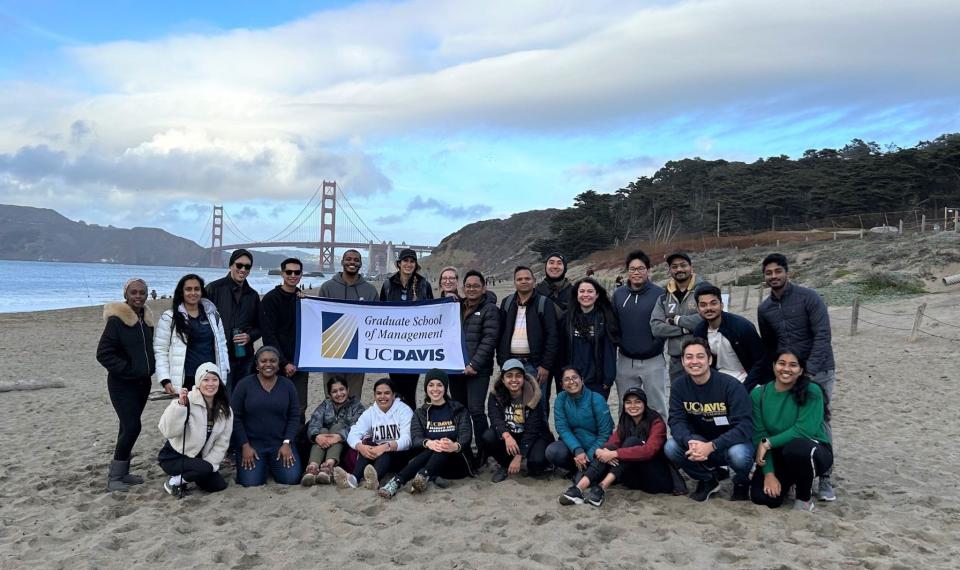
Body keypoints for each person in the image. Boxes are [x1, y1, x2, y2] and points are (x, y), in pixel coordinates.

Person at [757, 252, 838, 502]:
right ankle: (791, 473)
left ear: (787, 272)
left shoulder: (809, 298)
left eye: (778, 271)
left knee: (819, 420)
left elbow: (823, 335)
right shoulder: (765, 308)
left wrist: (808, 372)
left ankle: (825, 477)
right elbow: (770, 344)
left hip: (818, 370)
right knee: (787, 419)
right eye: (769, 273)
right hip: (784, 371)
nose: (774, 276)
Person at [664, 338, 753, 502]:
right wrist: (689, 440)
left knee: (740, 455)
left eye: (700, 356)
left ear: (710, 359)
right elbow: (676, 421)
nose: (694, 361)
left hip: (729, 444)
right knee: (671, 447)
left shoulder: (731, 386)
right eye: (689, 357)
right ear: (683, 361)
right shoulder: (679, 386)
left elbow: (745, 426)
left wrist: (712, 446)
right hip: (698, 443)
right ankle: (707, 479)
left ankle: (741, 481)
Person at [559, 387, 680, 507]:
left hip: (657, 479)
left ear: (645, 404)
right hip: (633, 479)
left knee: (630, 443)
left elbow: (648, 451)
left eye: (637, 402)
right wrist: (600, 451)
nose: (633, 406)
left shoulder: (656, 422)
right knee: (610, 449)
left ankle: (601, 488)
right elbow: (612, 442)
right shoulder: (625, 420)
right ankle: (578, 489)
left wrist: (615, 454)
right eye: (628, 402)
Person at [751, 350, 833, 512]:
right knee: (763, 498)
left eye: (793, 365)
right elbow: (760, 435)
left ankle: (804, 499)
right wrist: (769, 474)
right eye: (781, 363)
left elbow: (804, 430)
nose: (786, 369)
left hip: (813, 450)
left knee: (796, 448)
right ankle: (789, 482)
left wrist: (768, 443)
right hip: (779, 453)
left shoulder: (812, 391)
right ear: (774, 366)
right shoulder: (758, 394)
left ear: (801, 370)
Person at [96, 278, 156, 492]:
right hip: (122, 384)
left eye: (142, 292)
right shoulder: (117, 321)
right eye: (134, 293)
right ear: (126, 295)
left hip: (143, 384)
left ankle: (124, 473)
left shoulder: (146, 321)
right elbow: (103, 354)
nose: (138, 296)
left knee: (126, 426)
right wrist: (129, 370)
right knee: (133, 426)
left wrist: (151, 368)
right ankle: (115, 477)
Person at [377, 370, 474, 498]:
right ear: (426, 388)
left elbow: (466, 435)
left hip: (457, 463)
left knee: (443, 444)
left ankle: (400, 480)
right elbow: (415, 438)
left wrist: (454, 446)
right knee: (435, 446)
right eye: (431, 385)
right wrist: (428, 443)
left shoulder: (458, 409)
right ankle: (422, 476)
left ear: (445, 387)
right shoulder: (420, 412)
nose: (435, 389)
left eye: (439, 385)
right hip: (430, 461)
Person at [157, 363, 233, 495]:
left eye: (215, 380)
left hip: (201, 459)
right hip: (174, 457)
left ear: (220, 382)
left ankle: (192, 475)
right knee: (203, 468)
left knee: (218, 485)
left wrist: (208, 465)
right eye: (205, 379)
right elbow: (168, 431)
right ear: (198, 382)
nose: (210, 384)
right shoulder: (187, 400)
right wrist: (180, 406)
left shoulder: (225, 409)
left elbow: (222, 443)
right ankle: (173, 481)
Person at [231, 346, 301, 486]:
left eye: (273, 361)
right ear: (257, 365)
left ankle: (270, 465)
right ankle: (264, 465)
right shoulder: (244, 385)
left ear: (278, 364)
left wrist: (287, 443)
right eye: (263, 361)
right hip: (252, 445)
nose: (268, 364)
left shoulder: (288, 386)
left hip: (280, 444)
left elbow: (294, 416)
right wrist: (245, 446)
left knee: (291, 479)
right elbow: (235, 417)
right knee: (251, 482)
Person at [612, 250, 670, 419]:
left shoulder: (660, 294)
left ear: (648, 270)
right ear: (627, 271)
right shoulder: (618, 295)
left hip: (653, 360)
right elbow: (613, 324)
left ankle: (660, 443)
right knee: (626, 406)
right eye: (632, 269)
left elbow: (665, 324)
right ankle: (627, 441)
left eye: (640, 268)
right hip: (625, 361)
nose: (636, 272)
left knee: (656, 405)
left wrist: (655, 345)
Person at [451, 270, 499, 465]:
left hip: (477, 370)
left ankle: (483, 450)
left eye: (476, 286)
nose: (471, 289)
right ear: (463, 288)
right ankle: (464, 447)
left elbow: (489, 340)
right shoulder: (457, 307)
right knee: (459, 410)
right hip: (455, 369)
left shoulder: (490, 309)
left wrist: (474, 364)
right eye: (468, 286)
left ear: (483, 288)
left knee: (476, 410)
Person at [497, 266, 560, 416]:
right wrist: (502, 361)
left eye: (527, 278)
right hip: (511, 362)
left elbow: (552, 336)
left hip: (535, 365)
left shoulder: (544, 303)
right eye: (519, 279)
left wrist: (545, 365)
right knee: (512, 404)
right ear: (514, 282)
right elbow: (500, 335)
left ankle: (541, 437)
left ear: (534, 281)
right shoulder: (507, 303)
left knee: (538, 404)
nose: (523, 281)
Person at [154, 274, 230, 394]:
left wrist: (223, 373)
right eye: (188, 289)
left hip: (210, 377)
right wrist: (165, 379)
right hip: (185, 379)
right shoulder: (170, 317)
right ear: (181, 292)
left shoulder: (213, 315)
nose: (193, 293)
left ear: (201, 291)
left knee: (210, 412)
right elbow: (160, 350)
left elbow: (222, 346)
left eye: (197, 289)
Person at [319, 249, 379, 397]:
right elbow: (317, 318)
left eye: (356, 260)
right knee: (332, 397)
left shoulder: (370, 290)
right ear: (342, 262)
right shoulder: (327, 288)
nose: (352, 262)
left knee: (354, 398)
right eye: (348, 259)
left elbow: (377, 321)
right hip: (332, 353)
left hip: (359, 354)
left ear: (360, 264)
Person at [335, 378, 414, 491]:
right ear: (374, 395)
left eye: (387, 393)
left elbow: (407, 440)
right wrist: (360, 447)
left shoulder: (404, 410)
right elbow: (353, 433)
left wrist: (386, 446)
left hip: (399, 455)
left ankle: (374, 480)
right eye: (379, 393)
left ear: (393, 395)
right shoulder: (371, 412)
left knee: (385, 453)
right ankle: (354, 479)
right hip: (375, 455)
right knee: (367, 447)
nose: (382, 397)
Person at [379, 248, 434, 407]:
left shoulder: (424, 284)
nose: (408, 264)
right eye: (405, 261)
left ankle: (411, 427)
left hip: (415, 345)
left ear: (416, 264)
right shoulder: (388, 284)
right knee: (396, 388)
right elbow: (379, 313)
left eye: (412, 261)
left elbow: (432, 313)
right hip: (393, 345)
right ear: (399, 264)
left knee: (410, 389)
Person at [482, 359, 551, 482]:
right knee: (488, 437)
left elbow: (533, 429)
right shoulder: (495, 395)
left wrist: (519, 455)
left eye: (518, 376)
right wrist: (507, 436)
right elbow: (495, 418)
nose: (514, 380)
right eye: (509, 376)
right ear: (503, 379)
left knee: (536, 464)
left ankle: (530, 459)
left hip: (534, 436)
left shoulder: (534, 395)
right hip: (511, 434)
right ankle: (505, 464)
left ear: (523, 378)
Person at [693, 285, 768, 392]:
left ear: (722, 305)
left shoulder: (742, 327)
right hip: (720, 378)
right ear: (698, 309)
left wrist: (745, 388)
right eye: (703, 305)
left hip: (748, 377)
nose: (709, 308)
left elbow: (760, 360)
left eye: (713, 303)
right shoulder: (699, 331)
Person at [261, 257, 309, 422]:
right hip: (277, 364)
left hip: (301, 363)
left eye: (297, 272)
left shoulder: (303, 300)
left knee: (300, 406)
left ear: (301, 275)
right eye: (289, 272)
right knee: (277, 405)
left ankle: (296, 444)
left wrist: (308, 303)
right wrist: (283, 362)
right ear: (282, 273)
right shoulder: (270, 299)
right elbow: (268, 335)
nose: (293, 275)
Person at [205, 249, 262, 386]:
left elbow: (260, 327)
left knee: (241, 402)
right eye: (239, 265)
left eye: (247, 266)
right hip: (218, 358)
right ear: (231, 265)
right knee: (222, 401)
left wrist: (249, 336)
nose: (243, 269)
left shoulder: (253, 296)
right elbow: (200, 322)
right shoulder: (213, 289)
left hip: (245, 358)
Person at [545, 367, 613, 478]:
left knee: (581, 481)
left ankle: (585, 468)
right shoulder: (561, 399)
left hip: (596, 448)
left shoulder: (596, 399)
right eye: (566, 379)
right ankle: (575, 468)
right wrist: (577, 449)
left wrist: (588, 455)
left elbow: (605, 433)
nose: (571, 382)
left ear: (582, 380)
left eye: (574, 377)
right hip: (575, 447)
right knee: (553, 451)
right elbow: (562, 428)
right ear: (562, 384)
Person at [650, 252, 708, 380]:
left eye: (683, 265)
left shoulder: (705, 290)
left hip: (704, 357)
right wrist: (684, 329)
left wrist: (676, 320)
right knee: (679, 398)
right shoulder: (664, 297)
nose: (679, 269)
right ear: (670, 270)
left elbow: (707, 319)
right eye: (674, 267)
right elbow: (656, 328)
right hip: (677, 360)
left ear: (691, 267)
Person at [301, 375, 366, 486]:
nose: (339, 394)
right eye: (334, 391)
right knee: (322, 429)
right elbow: (314, 421)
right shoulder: (325, 404)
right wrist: (317, 436)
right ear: (330, 394)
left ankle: (329, 466)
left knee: (338, 427)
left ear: (348, 390)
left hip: (345, 444)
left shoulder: (356, 406)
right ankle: (313, 467)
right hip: (322, 443)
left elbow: (358, 426)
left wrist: (339, 436)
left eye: (342, 389)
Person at [561, 277, 619, 400]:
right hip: (573, 379)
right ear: (576, 294)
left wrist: (609, 378)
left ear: (597, 295)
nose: (585, 295)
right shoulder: (567, 318)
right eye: (582, 291)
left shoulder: (605, 317)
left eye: (590, 291)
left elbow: (610, 350)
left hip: (597, 380)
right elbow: (561, 348)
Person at [535, 252, 573, 316]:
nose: (555, 266)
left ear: (565, 268)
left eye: (559, 263)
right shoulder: (535, 291)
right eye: (551, 263)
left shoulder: (575, 292)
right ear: (546, 267)